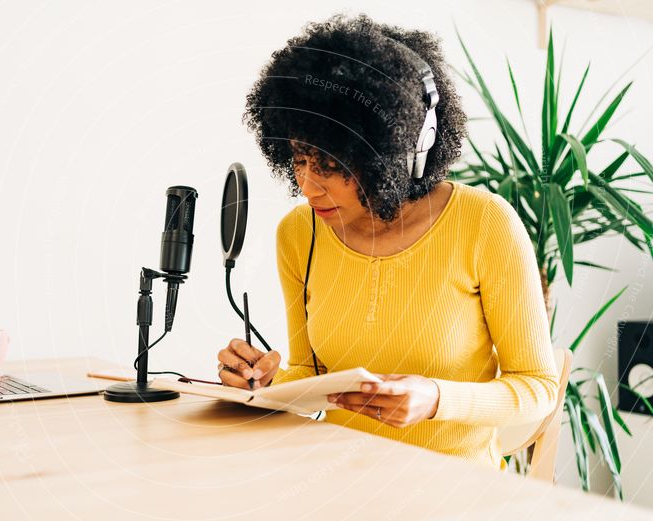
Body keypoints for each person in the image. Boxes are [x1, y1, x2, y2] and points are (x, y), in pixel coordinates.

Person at [215, 13, 558, 471]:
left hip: (456, 493)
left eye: (332, 164)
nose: (308, 186)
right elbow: (314, 377)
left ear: (397, 153)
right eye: (300, 158)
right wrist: (265, 381)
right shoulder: (298, 234)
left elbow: (538, 389)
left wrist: (436, 398)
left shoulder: (485, 223)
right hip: (342, 482)